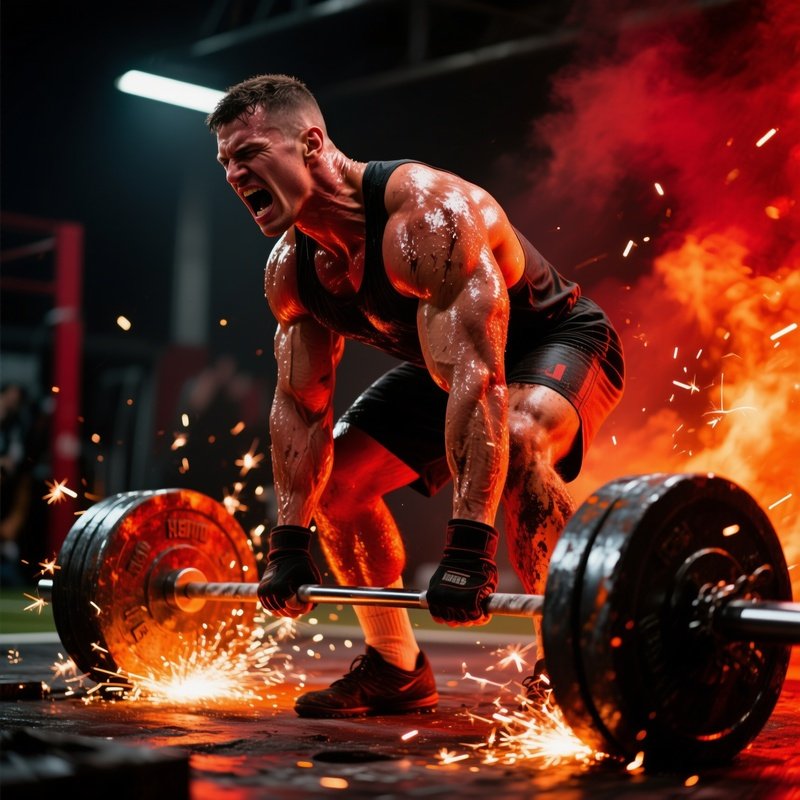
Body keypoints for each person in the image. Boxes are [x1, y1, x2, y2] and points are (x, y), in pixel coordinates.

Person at [205, 74, 625, 718]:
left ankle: (571, 654)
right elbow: (300, 406)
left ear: (312, 143)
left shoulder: (426, 216)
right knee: (339, 487)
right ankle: (395, 667)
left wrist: (469, 542)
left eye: (250, 153)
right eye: (225, 162)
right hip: (450, 365)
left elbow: (478, 379)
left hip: (550, 341)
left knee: (514, 435)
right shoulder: (291, 272)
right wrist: (288, 542)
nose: (234, 174)